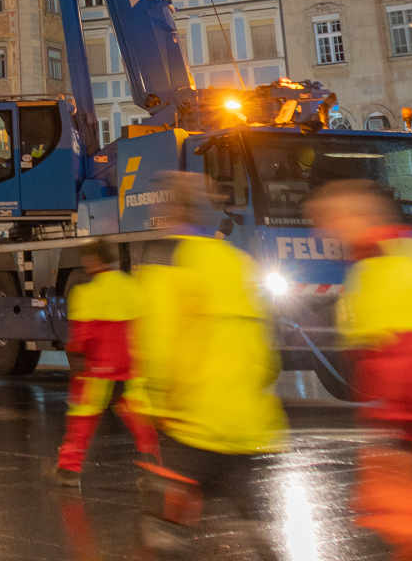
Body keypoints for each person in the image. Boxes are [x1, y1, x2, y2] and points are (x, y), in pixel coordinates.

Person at [307, 179, 412, 561]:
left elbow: (407, 363)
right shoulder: (402, 255)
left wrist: (398, 438)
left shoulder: (381, 270)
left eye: (331, 220)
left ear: (358, 217)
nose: (324, 231)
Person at [136, 171, 284, 552]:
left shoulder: (168, 262)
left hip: (193, 417)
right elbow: (268, 349)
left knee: (169, 527)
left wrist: (152, 401)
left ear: (168, 209)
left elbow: (157, 342)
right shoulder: (238, 260)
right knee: (251, 518)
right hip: (246, 418)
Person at [55, 239, 159, 487]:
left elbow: (80, 342)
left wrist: (79, 370)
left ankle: (68, 471)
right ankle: (153, 465)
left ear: (92, 260)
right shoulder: (132, 287)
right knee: (138, 415)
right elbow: (144, 329)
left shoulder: (85, 293)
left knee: (83, 416)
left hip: (98, 369)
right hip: (130, 367)